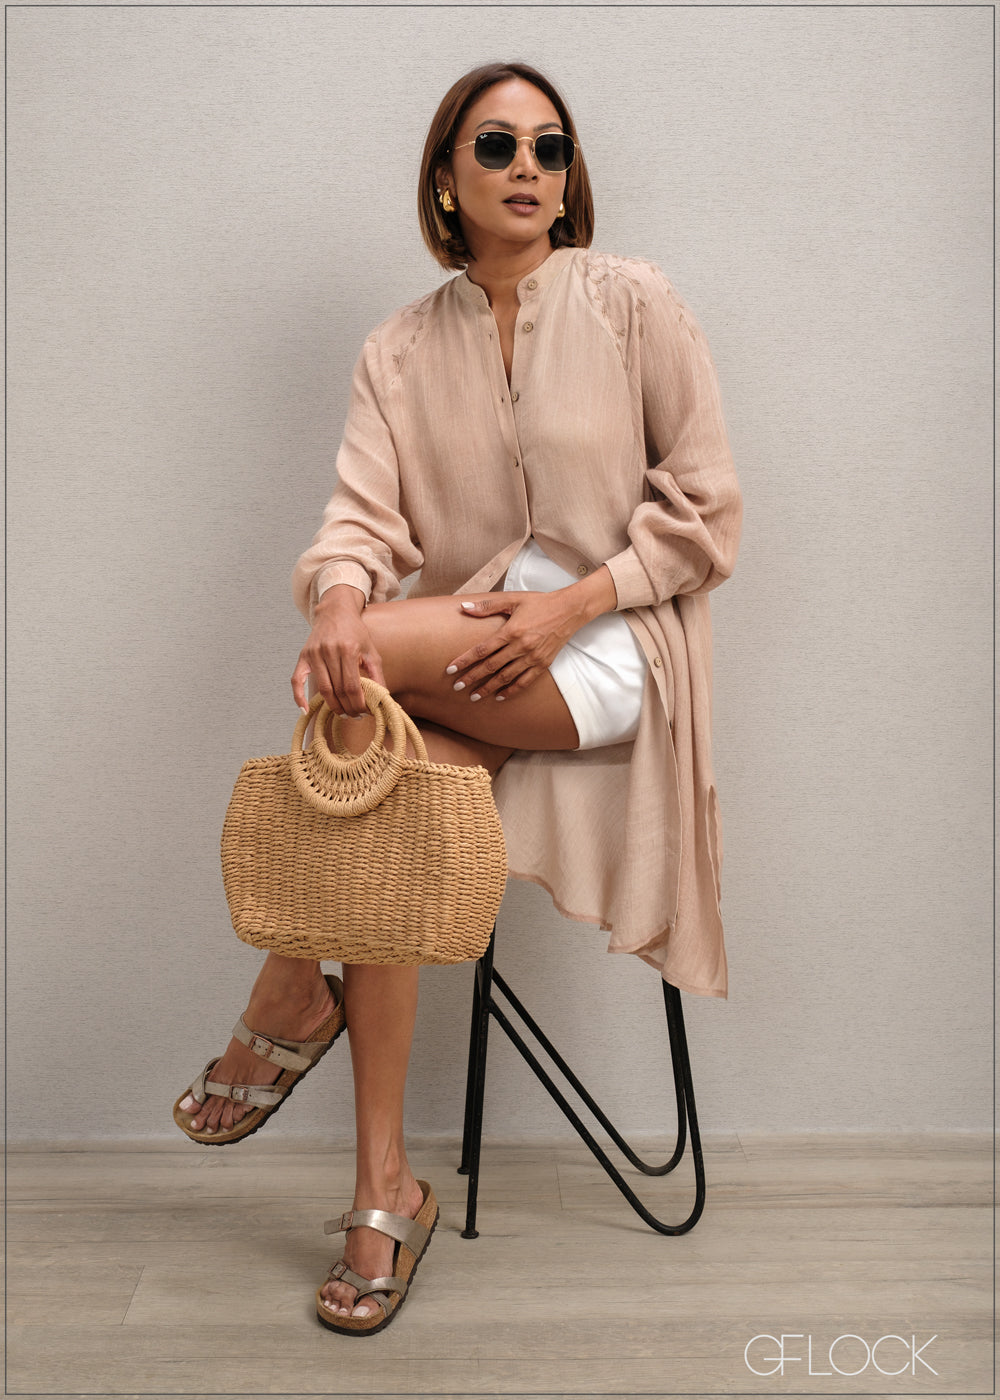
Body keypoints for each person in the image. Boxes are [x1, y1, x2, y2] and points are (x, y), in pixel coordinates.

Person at [174, 60, 742, 1336]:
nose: (528, 167)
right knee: (379, 787)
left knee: (362, 661)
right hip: (479, 656)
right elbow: (360, 522)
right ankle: (386, 1187)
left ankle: (285, 988)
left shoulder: (635, 303)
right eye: (496, 146)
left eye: (550, 146)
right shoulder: (398, 348)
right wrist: (337, 594)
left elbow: (708, 512)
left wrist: (568, 605)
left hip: (614, 650)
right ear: (446, 177)